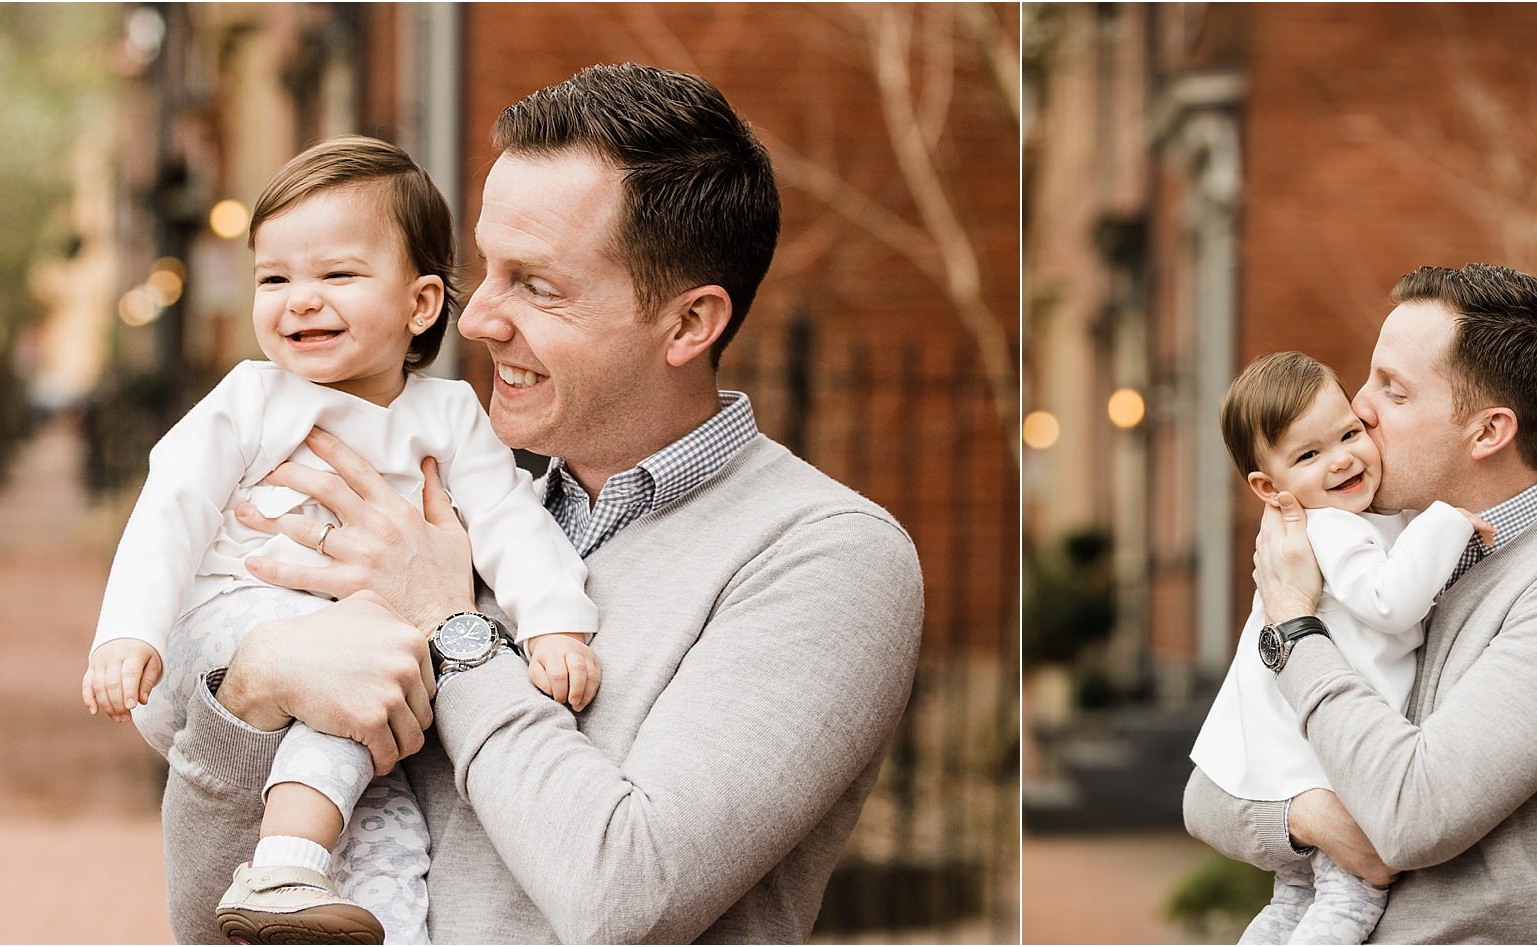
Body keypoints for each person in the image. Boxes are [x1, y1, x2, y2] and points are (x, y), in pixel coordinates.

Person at [154, 62, 925, 944]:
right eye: (486, 268)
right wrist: (255, 687)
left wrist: (454, 629)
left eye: (538, 284)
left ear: (689, 324)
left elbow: (626, 891)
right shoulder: (465, 518)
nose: (476, 317)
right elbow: (208, 928)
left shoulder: (826, 558)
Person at [81, 136, 602, 944]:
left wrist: (554, 621)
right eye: (274, 278)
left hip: (362, 679)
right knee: (359, 661)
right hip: (225, 639)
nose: (298, 300)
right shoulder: (251, 399)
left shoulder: (450, 416)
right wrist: (128, 632)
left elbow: (509, 522)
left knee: (388, 813)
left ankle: (366, 918)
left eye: (336, 275)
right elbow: (170, 507)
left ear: (420, 304)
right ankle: (282, 860)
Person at [1184, 264, 1537, 944]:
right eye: (1368, 378)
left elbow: (1411, 815)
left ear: (1488, 432)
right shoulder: (1380, 550)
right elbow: (1206, 797)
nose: (1358, 408)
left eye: (1393, 390)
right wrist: (1309, 817)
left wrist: (1292, 627)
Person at [1191, 351, 1491, 944]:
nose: (1343, 458)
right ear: (1268, 487)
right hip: (1326, 762)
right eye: (1310, 455)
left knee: (1294, 899)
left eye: (1349, 433)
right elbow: (1391, 601)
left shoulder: (1339, 524)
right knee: (1351, 898)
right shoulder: (1330, 529)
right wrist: (1446, 522)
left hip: (1299, 754)